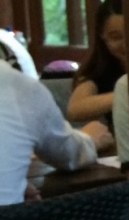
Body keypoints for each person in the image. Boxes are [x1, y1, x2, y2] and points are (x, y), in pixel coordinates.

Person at [1, 59, 104, 206]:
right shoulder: (17, 86)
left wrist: (16, 180)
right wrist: (91, 140)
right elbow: (68, 154)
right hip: (11, 219)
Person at [67, 0, 126, 124]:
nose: (126, 44)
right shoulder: (99, 71)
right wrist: (125, 95)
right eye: (116, 37)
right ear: (102, 37)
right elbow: (74, 109)